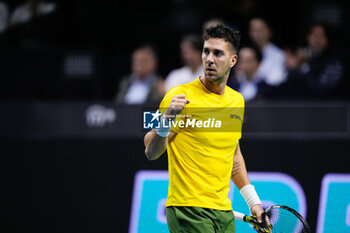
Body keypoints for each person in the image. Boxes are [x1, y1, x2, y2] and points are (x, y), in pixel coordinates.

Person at [144, 24, 270, 233]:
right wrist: (167, 119)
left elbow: (233, 154)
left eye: (218, 53)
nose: (210, 59)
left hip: (222, 211)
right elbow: (150, 151)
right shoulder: (178, 95)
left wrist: (253, 202)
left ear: (233, 60)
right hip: (188, 210)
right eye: (206, 52)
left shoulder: (236, 101)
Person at [249, 17, 287, 86]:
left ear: (269, 31)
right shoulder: (247, 52)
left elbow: (276, 80)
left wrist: (254, 74)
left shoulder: (278, 55)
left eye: (259, 30)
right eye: (252, 30)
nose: (255, 34)